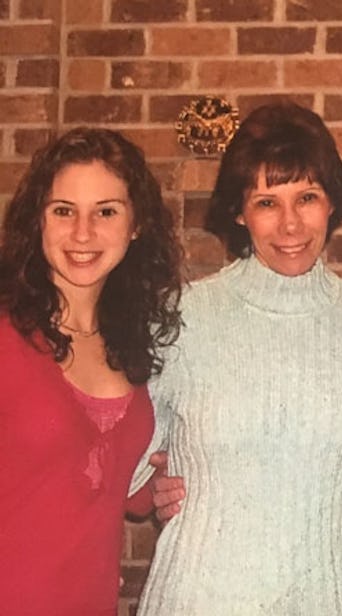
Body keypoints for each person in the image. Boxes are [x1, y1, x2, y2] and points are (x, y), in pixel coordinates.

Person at [129, 102, 342, 615]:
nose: (290, 225)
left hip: (321, 597)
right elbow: (120, 459)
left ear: (332, 202)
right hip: (198, 598)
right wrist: (150, 485)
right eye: (267, 202)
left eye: (307, 197)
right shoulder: (183, 316)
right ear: (239, 212)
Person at [0, 127, 182, 615]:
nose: (83, 233)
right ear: (37, 220)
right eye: (63, 211)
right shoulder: (5, 340)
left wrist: (163, 486)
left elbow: (113, 484)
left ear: (135, 223)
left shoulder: (132, 345)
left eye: (105, 211)